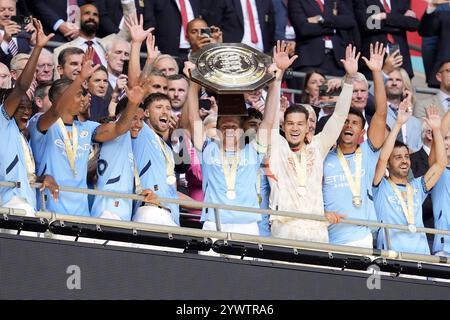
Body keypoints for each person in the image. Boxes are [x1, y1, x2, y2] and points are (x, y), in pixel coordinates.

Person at [185, 41, 296, 235]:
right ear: (217, 129)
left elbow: (268, 121)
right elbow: (193, 118)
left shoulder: (253, 150)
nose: (229, 129)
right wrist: (193, 81)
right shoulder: (208, 148)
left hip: (247, 224)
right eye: (225, 125)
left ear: (242, 130)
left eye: (234, 126)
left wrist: (277, 79)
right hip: (213, 222)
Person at [28, 47, 142, 217]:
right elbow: (55, 111)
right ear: (60, 98)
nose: (84, 98)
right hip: (49, 211)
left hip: (81, 214)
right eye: (78, 94)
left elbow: (119, 129)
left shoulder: (86, 127)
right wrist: (80, 77)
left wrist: (133, 104)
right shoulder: (40, 122)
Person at [267, 44, 357, 242]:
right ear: (284, 126)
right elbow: (270, 118)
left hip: (317, 232)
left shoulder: (318, 146)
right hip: (284, 231)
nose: (295, 128)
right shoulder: (277, 146)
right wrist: (278, 75)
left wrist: (349, 80)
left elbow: (340, 116)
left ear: (308, 126)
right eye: (290, 123)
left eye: (300, 123)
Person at [323, 42, 388, 248]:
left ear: (362, 131)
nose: (349, 126)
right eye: (345, 122)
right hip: (325, 236)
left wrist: (377, 72)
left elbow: (381, 113)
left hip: (361, 238)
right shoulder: (324, 155)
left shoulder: (368, 153)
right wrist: (349, 78)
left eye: (355, 123)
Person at [0, 18, 58, 218]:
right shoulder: (3, 119)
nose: (26, 111)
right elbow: (22, 87)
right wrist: (38, 49)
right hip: (10, 202)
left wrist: (44, 177)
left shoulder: (20, 136)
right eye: (20, 107)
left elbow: (24, 174)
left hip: (26, 201)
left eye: (28, 107)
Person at [372, 101, 447, 255]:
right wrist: (398, 124)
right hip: (391, 257)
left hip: (421, 257)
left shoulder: (417, 187)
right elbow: (382, 158)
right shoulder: (380, 186)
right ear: (388, 164)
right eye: (398, 157)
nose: (404, 160)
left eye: (406, 156)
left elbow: (440, 164)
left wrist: (436, 130)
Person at [288, 0, 356, 76]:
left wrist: (321, 19)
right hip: (310, 59)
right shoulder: (297, 1)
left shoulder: (335, 1)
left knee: (341, 86)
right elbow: (303, 29)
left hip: (337, 60)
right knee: (316, 86)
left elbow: (349, 20)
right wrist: (333, 28)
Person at [385, 68, 422, 152]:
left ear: (404, 86)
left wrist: (409, 105)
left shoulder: (415, 122)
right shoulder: (377, 111)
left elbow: (420, 147)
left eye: (398, 80)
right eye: (390, 79)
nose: (394, 83)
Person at [431, 109, 450, 256]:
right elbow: (438, 139)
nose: (447, 143)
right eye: (445, 138)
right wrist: (438, 131)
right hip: (445, 249)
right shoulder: (438, 171)